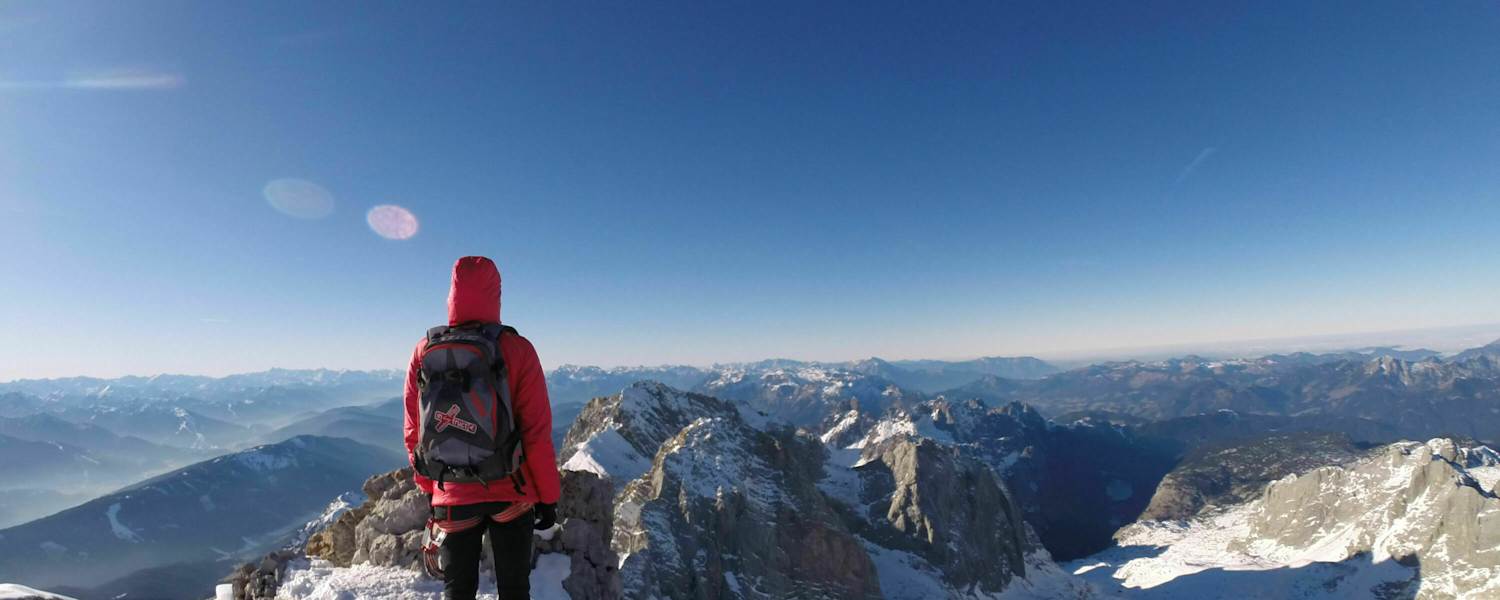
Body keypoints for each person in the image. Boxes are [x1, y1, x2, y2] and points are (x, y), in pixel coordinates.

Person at [403, 256, 561, 600]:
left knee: (457, 589)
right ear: (496, 295)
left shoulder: (424, 350)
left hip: (452, 490)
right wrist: (548, 498)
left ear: (451, 294)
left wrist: (432, 487)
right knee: (514, 589)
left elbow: (414, 431)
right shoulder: (517, 349)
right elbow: (536, 433)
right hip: (511, 492)